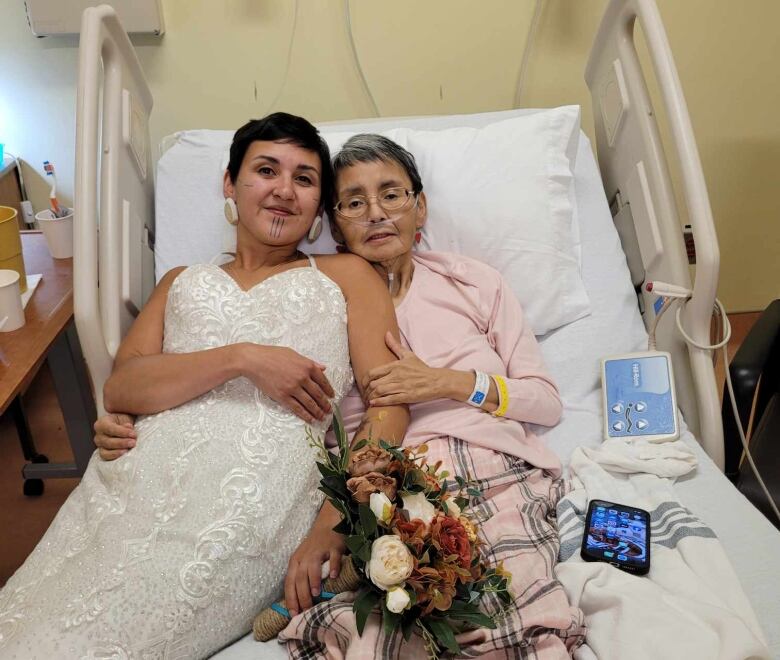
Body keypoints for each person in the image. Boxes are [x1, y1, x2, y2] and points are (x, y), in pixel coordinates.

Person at [95, 134, 586, 657]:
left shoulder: (474, 284)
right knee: (382, 631)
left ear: (420, 207)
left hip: (487, 465)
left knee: (507, 613)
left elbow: (544, 401)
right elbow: (235, 394)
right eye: (354, 203)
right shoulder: (318, 295)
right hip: (377, 484)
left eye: (392, 195)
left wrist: (447, 382)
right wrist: (129, 420)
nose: (376, 214)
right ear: (332, 224)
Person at [0, 115, 409, 659]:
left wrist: (333, 523)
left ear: (318, 205)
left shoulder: (347, 276)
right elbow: (123, 385)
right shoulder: (180, 281)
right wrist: (243, 359)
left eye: (305, 179)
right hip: (133, 484)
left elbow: (389, 401)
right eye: (266, 170)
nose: (284, 190)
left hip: (250, 501)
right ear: (228, 184)